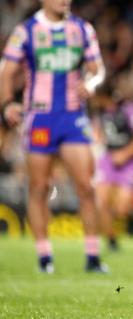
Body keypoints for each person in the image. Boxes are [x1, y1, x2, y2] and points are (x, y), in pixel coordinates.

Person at [0, 0, 107, 273]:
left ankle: (93, 257)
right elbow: (6, 71)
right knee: (39, 187)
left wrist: (91, 84)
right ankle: (44, 257)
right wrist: (7, 104)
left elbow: (98, 69)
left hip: (73, 117)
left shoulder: (82, 28)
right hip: (40, 118)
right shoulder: (26, 31)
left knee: (87, 185)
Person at [94, 78, 133, 251]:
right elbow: (100, 132)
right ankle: (111, 241)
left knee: (121, 207)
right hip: (108, 158)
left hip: (129, 161)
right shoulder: (100, 111)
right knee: (101, 200)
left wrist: (125, 153)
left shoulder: (128, 110)